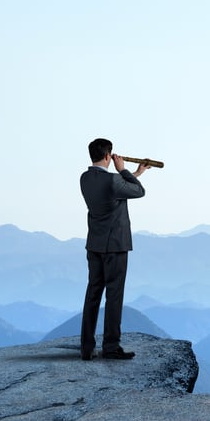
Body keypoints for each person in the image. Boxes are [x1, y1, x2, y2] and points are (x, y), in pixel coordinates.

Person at [79, 138, 150, 360]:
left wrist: (135, 173)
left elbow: (116, 189)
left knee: (93, 294)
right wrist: (125, 170)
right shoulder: (113, 180)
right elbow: (139, 191)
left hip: (95, 245)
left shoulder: (85, 178)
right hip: (116, 246)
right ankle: (111, 346)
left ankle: (86, 347)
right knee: (114, 296)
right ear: (109, 156)